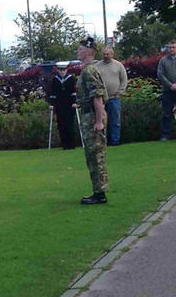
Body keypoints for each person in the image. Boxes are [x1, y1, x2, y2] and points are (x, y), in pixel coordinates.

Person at [76, 37, 109, 204]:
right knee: (92, 155)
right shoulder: (87, 70)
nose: (78, 51)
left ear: (89, 51)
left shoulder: (89, 71)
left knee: (96, 155)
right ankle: (98, 191)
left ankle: (100, 193)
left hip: (93, 116)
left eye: (80, 49)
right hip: (89, 115)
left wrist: (99, 121)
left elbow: (97, 97)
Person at [95, 48, 128, 145]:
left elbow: (124, 79)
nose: (105, 56)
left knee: (115, 121)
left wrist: (119, 92)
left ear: (112, 54)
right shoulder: (97, 66)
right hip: (101, 99)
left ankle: (115, 141)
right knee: (102, 121)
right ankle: (103, 141)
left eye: (107, 54)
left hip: (114, 98)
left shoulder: (118, 65)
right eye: (104, 54)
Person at [158, 39, 176, 141]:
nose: (171, 49)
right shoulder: (163, 60)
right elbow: (160, 75)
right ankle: (165, 136)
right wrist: (170, 85)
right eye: (170, 47)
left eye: (173, 47)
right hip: (167, 91)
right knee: (166, 114)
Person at [47, 62, 78, 150]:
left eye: (64, 70)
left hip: (69, 105)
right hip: (59, 105)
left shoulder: (71, 78)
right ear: (58, 70)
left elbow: (74, 91)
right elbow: (53, 93)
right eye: (61, 70)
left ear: (67, 70)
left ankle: (71, 144)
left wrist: (74, 102)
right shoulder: (55, 80)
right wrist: (52, 104)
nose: (62, 72)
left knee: (70, 124)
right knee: (61, 124)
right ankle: (64, 144)